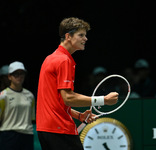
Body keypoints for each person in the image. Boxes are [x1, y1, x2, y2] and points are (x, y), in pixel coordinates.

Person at [36, 17, 118, 150]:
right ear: (68, 36)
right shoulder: (63, 60)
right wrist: (103, 100)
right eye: (81, 35)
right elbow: (68, 98)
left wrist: (78, 115)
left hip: (45, 129)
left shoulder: (50, 58)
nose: (85, 39)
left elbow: (56, 101)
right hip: (59, 128)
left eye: (85, 35)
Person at [0, 61, 35, 150]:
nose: (19, 77)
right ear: (9, 76)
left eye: (22, 73)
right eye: (16, 74)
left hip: (27, 135)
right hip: (9, 136)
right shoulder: (3, 95)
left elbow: (31, 118)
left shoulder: (30, 96)